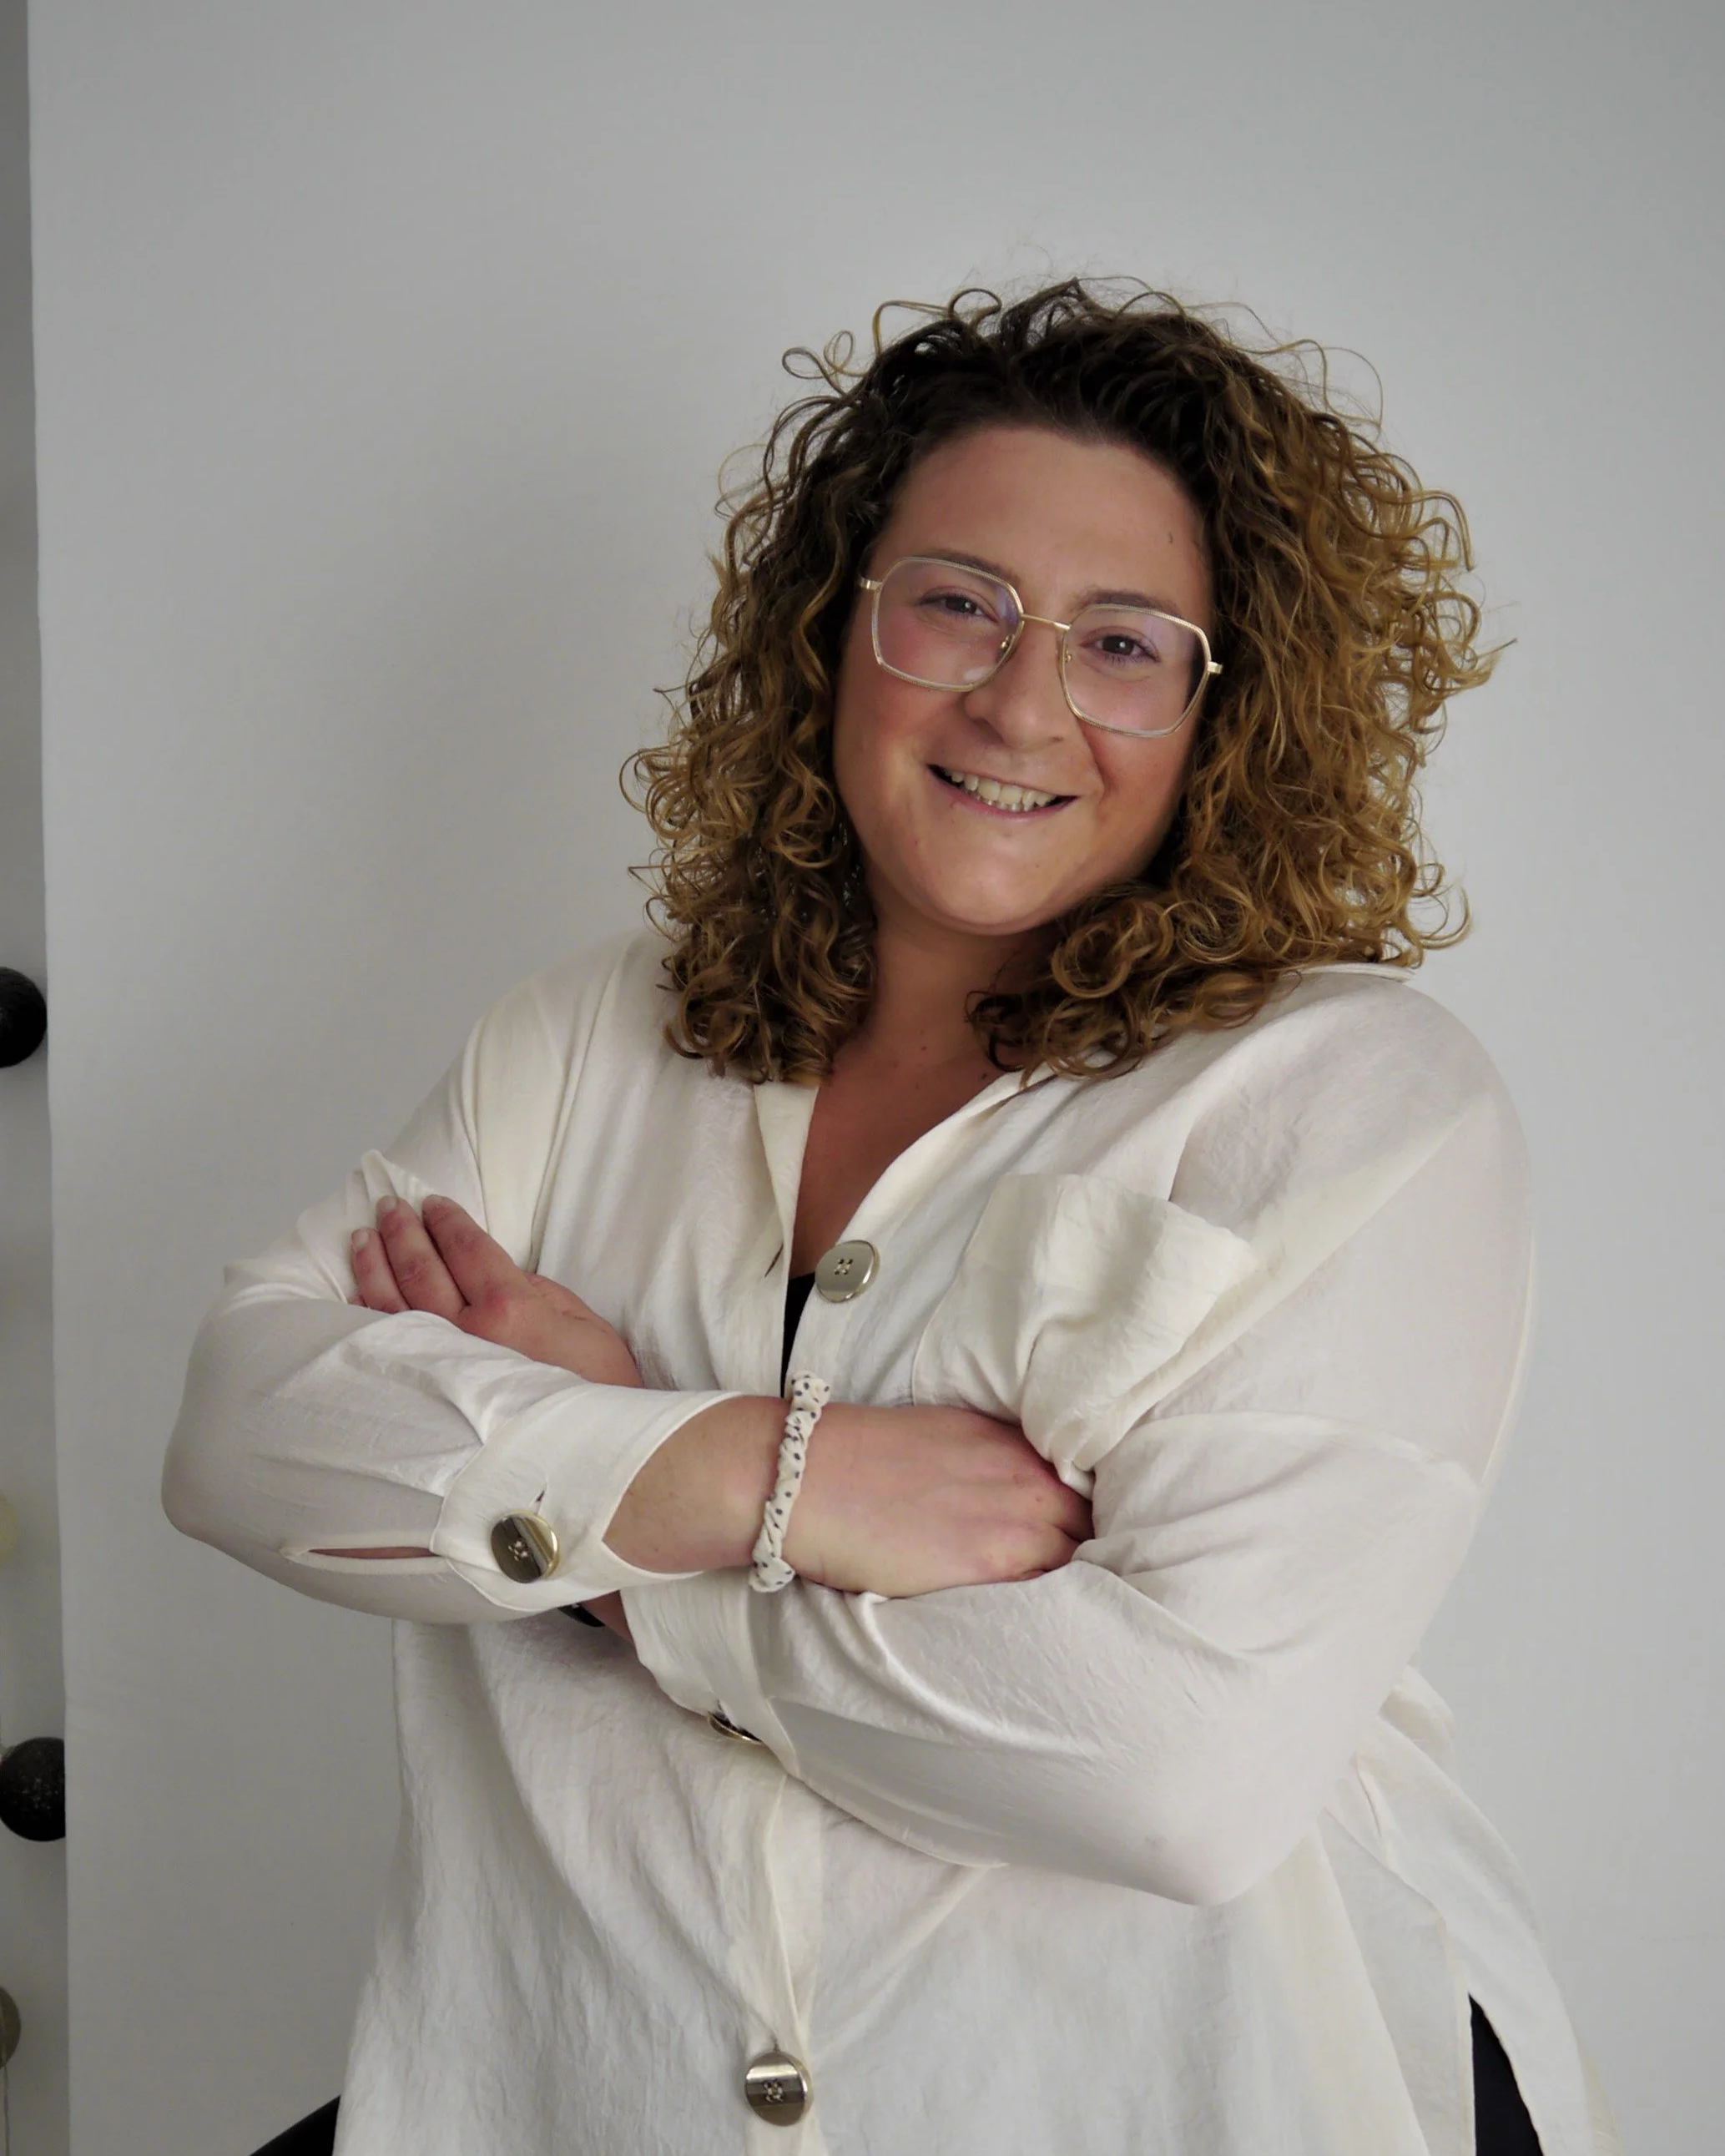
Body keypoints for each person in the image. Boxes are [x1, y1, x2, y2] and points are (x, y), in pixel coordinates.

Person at [163, 280, 1621, 2156]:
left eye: (1124, 642)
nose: (1022, 698)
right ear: (833, 628)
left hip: (1175, 2095)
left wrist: (620, 1558)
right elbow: (252, 1424)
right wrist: (782, 1468)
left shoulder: (1346, 1097)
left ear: (1218, 711)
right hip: (591, 2093)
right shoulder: (589, 1034)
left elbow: (1174, 1771)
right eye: (958, 603)